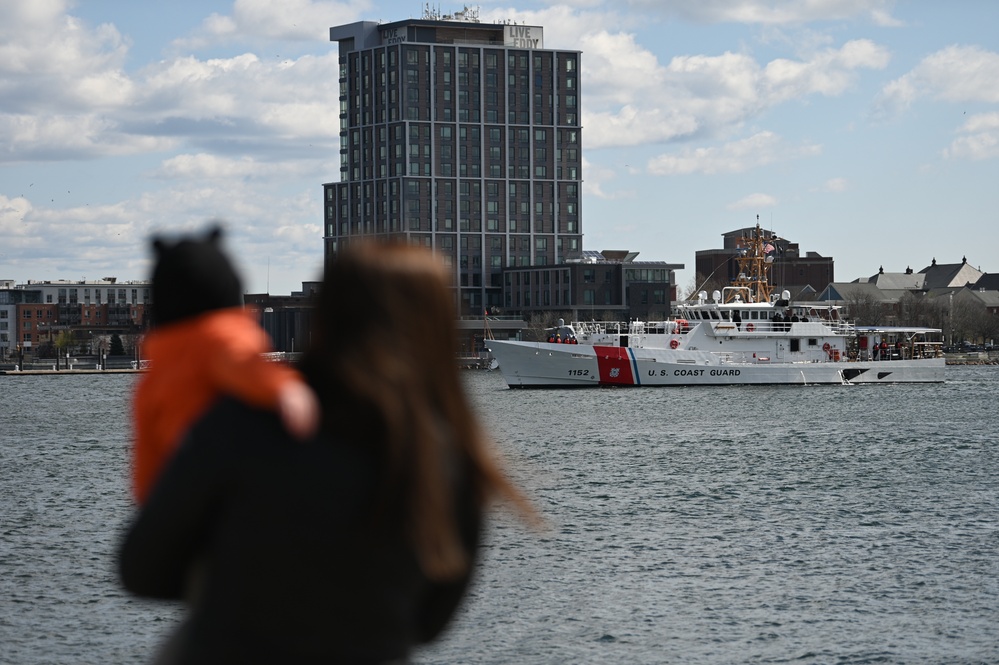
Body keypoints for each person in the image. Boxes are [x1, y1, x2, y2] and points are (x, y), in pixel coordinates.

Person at [119, 242, 535, 664]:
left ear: (326, 317)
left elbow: (141, 570)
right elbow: (428, 624)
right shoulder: (455, 463)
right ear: (439, 329)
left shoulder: (240, 423)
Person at [130, 227, 319, 505]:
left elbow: (146, 476)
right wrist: (287, 391)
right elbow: (244, 365)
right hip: (242, 495)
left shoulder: (155, 375)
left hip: (182, 500)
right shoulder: (220, 339)